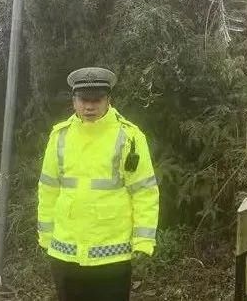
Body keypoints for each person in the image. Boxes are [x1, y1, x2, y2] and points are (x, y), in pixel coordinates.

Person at [37, 67, 159, 301]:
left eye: (96, 99)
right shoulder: (59, 136)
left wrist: (143, 241)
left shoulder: (130, 137)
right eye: (83, 100)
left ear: (108, 100)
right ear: (74, 101)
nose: (89, 106)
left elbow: (144, 191)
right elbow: (48, 188)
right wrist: (45, 237)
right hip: (65, 252)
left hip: (112, 256)